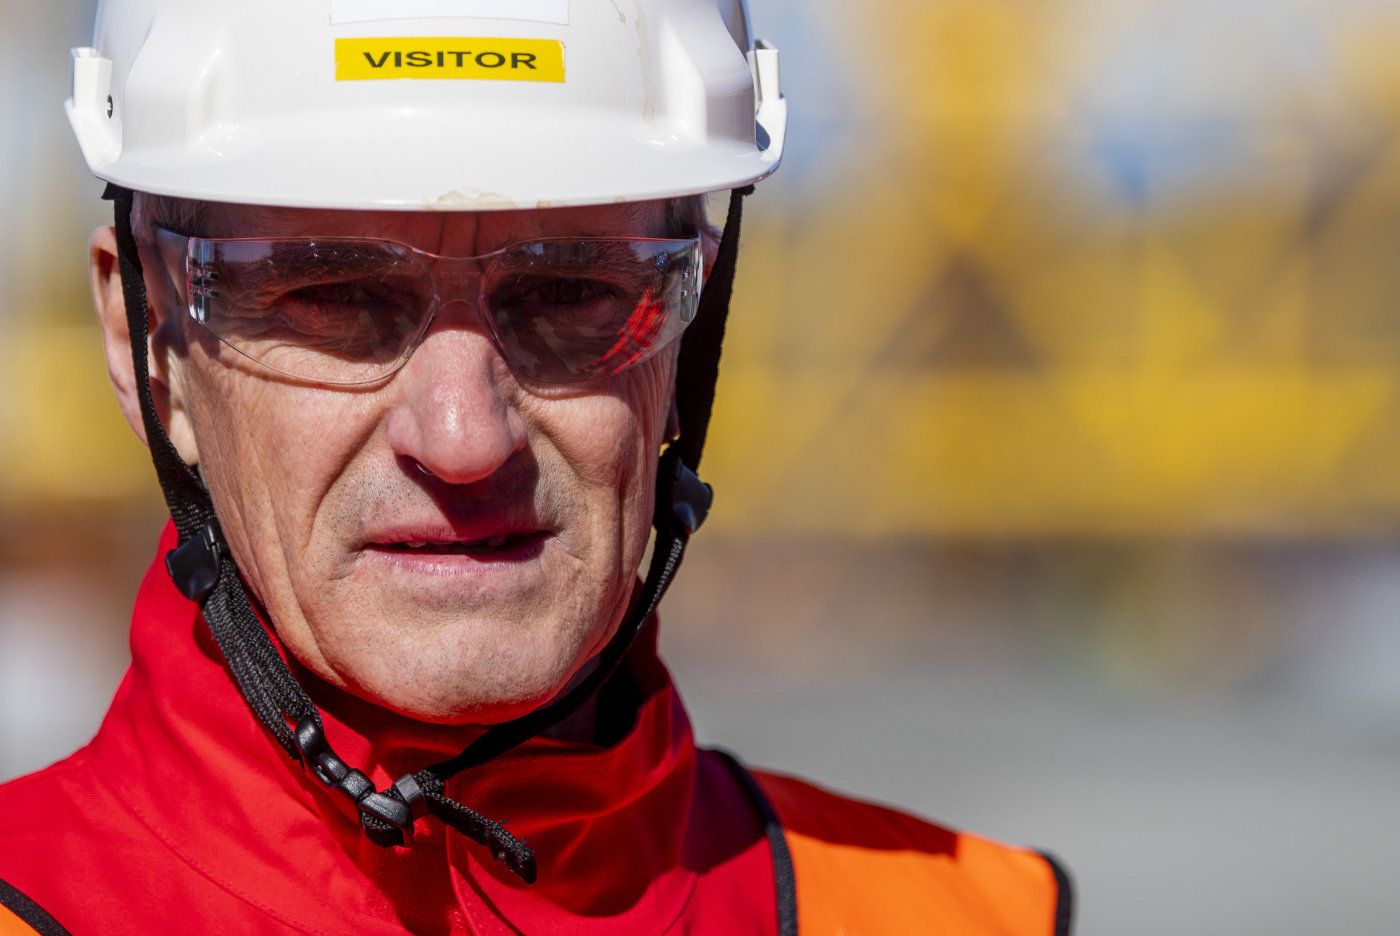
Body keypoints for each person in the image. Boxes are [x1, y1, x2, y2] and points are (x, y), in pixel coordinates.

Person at [0, 2, 1073, 933]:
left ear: (689, 338)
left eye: (570, 295)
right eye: (333, 300)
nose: (464, 440)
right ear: (145, 347)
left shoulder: (953, 915)